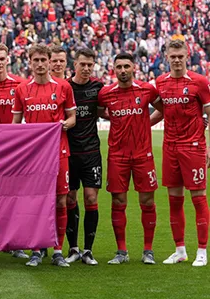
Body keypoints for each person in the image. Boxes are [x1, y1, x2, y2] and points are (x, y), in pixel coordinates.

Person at [13, 45, 77, 268]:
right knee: (36, 201)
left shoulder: (63, 87)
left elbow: (72, 119)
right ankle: (36, 249)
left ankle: (58, 250)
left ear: (50, 62)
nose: (40, 64)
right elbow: (15, 125)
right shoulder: (22, 89)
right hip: (34, 156)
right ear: (30, 62)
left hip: (59, 151)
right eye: (36, 60)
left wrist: (63, 125)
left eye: (43, 60)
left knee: (60, 200)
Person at [98, 53, 163, 265]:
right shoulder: (106, 94)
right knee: (118, 201)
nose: (123, 70)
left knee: (147, 201)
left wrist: (146, 124)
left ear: (134, 67)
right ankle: (121, 251)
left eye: (127, 66)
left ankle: (148, 250)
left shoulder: (147, 89)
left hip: (143, 155)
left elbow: (162, 111)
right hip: (117, 156)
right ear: (113, 70)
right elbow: (100, 112)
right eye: (119, 67)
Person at [154, 39, 210, 266]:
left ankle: (202, 251)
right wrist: (140, 123)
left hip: (194, 147)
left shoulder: (200, 82)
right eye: (173, 56)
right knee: (174, 200)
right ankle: (180, 250)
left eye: (180, 56)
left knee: (198, 199)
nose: (177, 60)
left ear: (187, 56)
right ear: (167, 57)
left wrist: (208, 147)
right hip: (170, 147)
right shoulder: (160, 82)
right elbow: (162, 112)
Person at [0, 43, 29, 260]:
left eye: (2, 58)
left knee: (14, 197)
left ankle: (16, 242)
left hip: (14, 152)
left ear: (8, 59)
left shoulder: (21, 84)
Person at [64, 48, 104, 265]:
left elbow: (108, 109)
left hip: (91, 153)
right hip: (69, 153)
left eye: (90, 64)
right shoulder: (65, 87)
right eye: (83, 64)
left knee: (91, 198)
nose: (87, 68)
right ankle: (73, 248)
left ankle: (88, 250)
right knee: (70, 198)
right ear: (75, 65)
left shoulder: (98, 88)